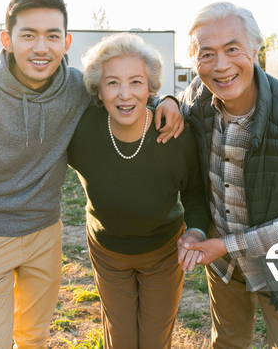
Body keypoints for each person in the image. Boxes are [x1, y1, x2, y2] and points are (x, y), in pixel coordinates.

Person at [0, 0, 183, 349]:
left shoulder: (75, 88)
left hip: (45, 236)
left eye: (52, 36)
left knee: (34, 338)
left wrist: (166, 100)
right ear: (7, 40)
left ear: (66, 42)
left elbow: (122, 91)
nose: (41, 48)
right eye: (28, 35)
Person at [178, 2, 278, 349]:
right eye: (207, 54)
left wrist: (227, 245)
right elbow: (173, 107)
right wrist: (163, 102)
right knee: (228, 344)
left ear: (255, 48)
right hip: (224, 266)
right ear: (195, 62)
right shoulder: (196, 98)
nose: (221, 65)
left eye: (232, 49)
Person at [67, 33, 209, 349]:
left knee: (154, 340)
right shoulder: (83, 129)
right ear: (98, 90)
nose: (125, 94)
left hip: (162, 251)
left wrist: (197, 232)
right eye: (112, 83)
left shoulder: (173, 132)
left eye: (136, 82)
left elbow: (196, 192)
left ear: (150, 88)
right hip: (108, 253)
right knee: (120, 340)